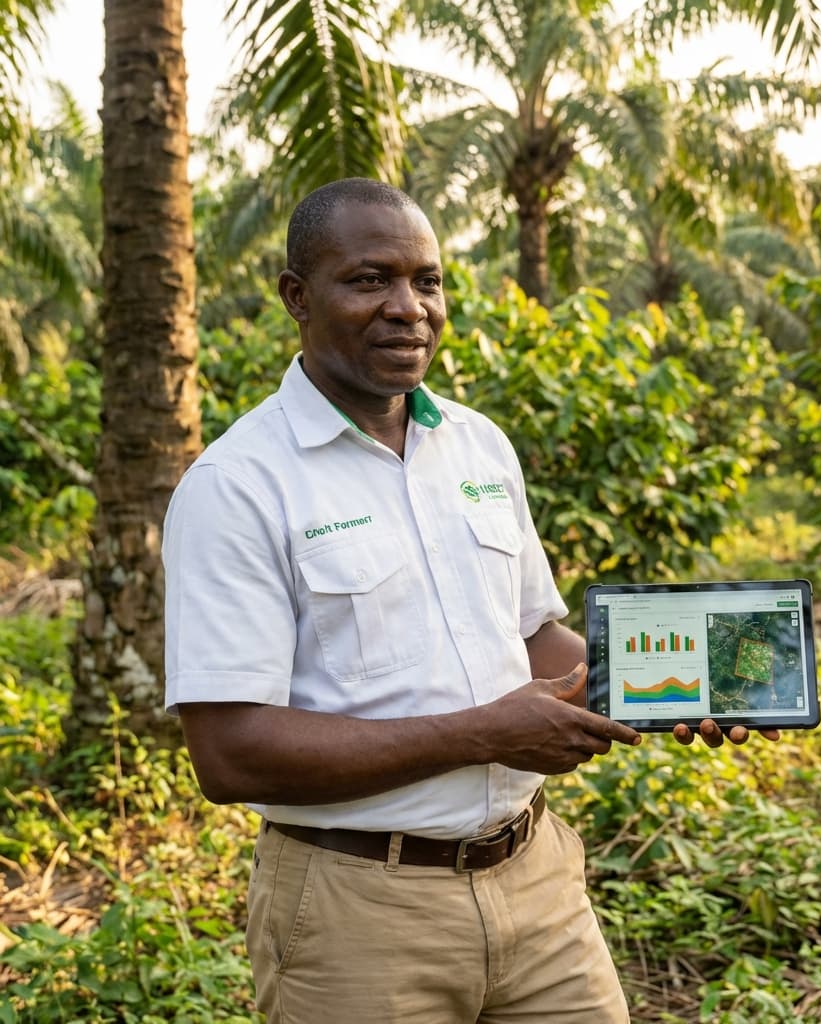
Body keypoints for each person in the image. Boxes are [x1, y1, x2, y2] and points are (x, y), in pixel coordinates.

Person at [162, 177, 776, 1024]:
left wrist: (676, 685)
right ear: (297, 298)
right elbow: (229, 756)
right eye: (370, 279)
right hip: (358, 915)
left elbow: (534, 636)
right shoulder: (238, 486)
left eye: (428, 280)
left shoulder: (479, 444)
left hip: (538, 885)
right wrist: (486, 732)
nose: (408, 308)